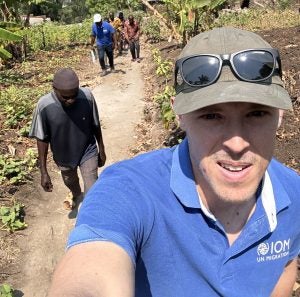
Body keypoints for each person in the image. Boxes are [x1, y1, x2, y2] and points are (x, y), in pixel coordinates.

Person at [47, 27, 300, 296]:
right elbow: (89, 275)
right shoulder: (130, 190)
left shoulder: (293, 194)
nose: (237, 144)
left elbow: (285, 266)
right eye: (211, 116)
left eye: (257, 113)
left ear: (280, 116)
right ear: (179, 114)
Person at [29, 68, 106, 210]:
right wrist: (43, 172)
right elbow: (42, 139)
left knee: (92, 189)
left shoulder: (87, 96)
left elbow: (95, 124)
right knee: (70, 181)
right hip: (63, 156)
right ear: (54, 89)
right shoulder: (44, 106)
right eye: (65, 97)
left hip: (87, 150)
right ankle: (76, 193)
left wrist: (101, 149)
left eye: (74, 95)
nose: (71, 100)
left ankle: (89, 217)